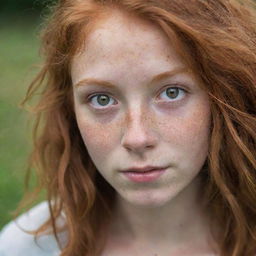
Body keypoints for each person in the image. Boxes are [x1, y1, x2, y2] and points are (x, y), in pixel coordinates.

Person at [0, 0, 256, 255]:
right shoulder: (28, 247)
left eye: (171, 92)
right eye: (102, 99)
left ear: (225, 97)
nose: (137, 138)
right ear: (70, 111)